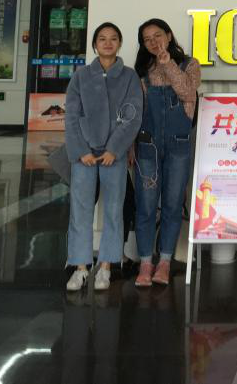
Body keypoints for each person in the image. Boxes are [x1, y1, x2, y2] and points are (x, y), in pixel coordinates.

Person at [64, 22, 141, 292]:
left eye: (113, 38)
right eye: (102, 39)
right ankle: (80, 268)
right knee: (80, 210)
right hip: (84, 155)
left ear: (119, 43)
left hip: (113, 155)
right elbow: (71, 116)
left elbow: (133, 116)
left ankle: (106, 266)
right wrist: (81, 150)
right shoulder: (81, 76)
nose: (108, 43)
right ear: (95, 45)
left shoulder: (129, 77)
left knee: (113, 210)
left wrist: (115, 149)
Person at [134, 18, 201, 287]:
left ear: (169, 36)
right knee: (146, 205)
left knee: (173, 205)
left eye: (157, 35)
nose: (153, 42)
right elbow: (135, 112)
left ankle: (164, 262)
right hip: (147, 145)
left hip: (178, 145)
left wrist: (167, 63)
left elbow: (188, 92)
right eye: (147, 39)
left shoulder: (190, 64)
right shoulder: (140, 71)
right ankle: (145, 263)